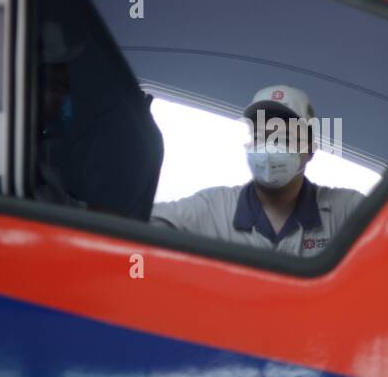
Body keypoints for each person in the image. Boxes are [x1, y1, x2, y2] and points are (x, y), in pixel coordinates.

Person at [150, 85, 365, 256]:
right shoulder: (212, 208)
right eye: (261, 137)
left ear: (310, 151)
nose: (269, 149)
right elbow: (136, 223)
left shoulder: (344, 210)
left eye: (284, 138)